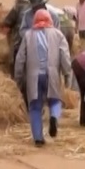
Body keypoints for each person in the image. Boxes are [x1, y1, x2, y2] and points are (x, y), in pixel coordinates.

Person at [14, 10, 72, 146]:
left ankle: (38, 139)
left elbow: (20, 58)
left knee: (35, 106)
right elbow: (65, 55)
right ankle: (53, 117)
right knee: (55, 100)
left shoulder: (28, 35)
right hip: (51, 74)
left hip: (33, 76)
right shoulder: (58, 34)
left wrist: (18, 77)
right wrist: (67, 73)